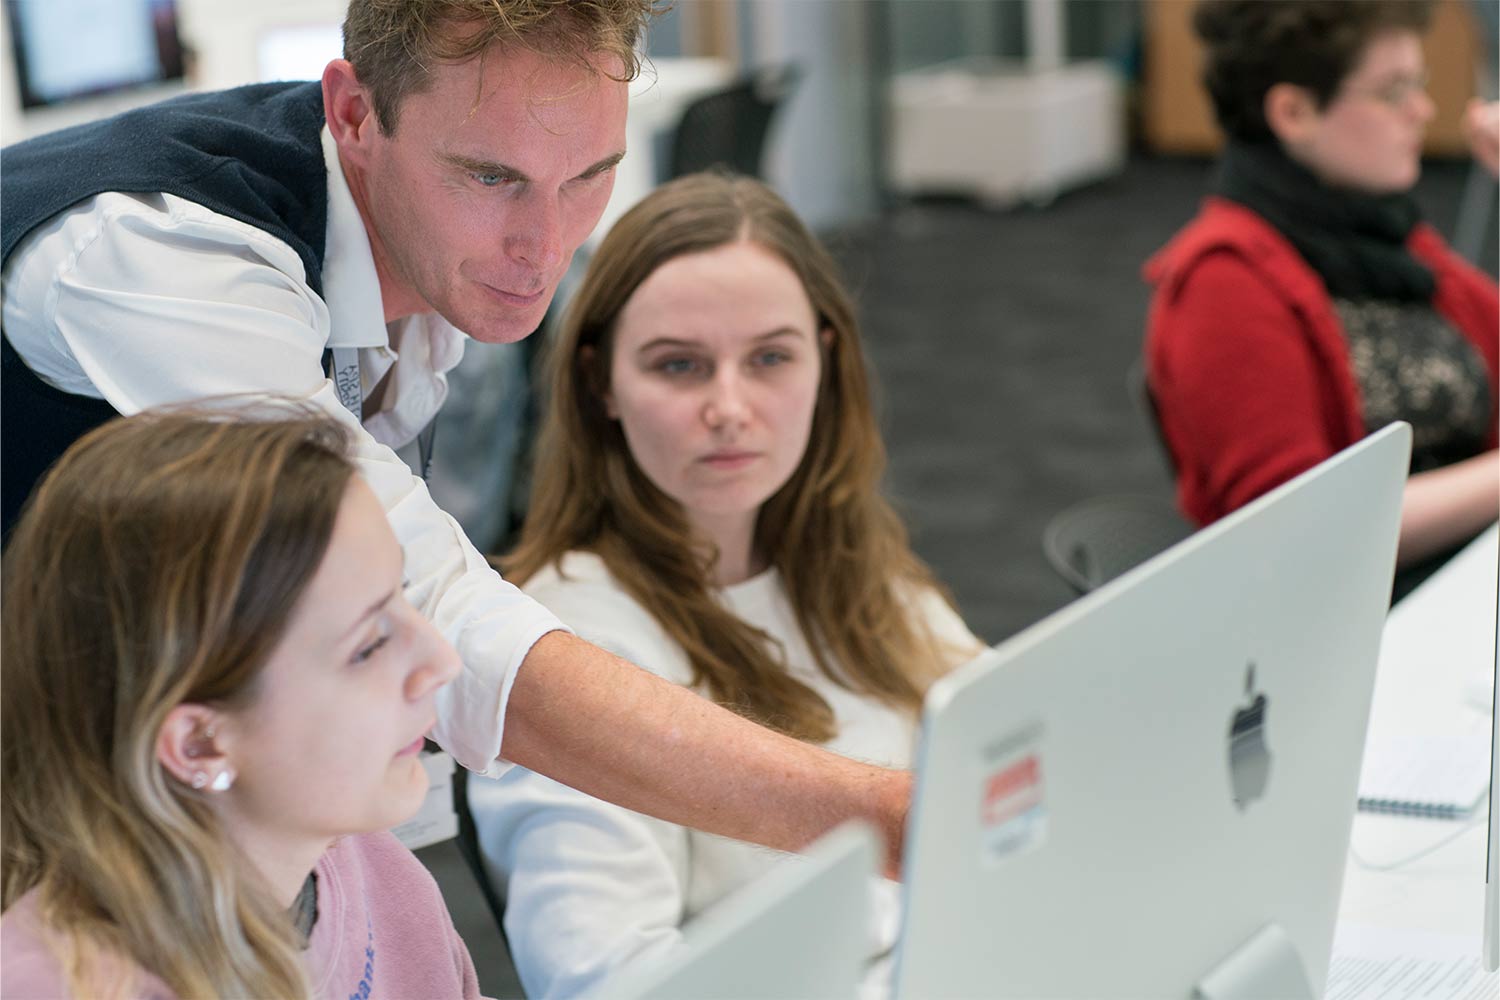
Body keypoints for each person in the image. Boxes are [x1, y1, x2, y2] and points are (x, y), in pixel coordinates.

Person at [0, 2, 912, 871]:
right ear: (354, 113)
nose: (544, 247)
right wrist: (884, 823)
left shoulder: (399, 223)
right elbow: (416, 609)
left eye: (591, 175)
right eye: (492, 177)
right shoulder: (162, 261)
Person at [467, 173, 984, 998]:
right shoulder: (570, 645)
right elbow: (604, 978)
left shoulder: (847, 564)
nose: (731, 407)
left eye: (771, 358)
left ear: (826, 360)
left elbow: (1011, 745)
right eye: (680, 366)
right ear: (601, 384)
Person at [0, 406, 479, 998]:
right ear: (200, 743)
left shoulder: (374, 869)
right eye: (369, 644)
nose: (441, 662)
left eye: (402, 597)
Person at [1143, 0, 1498, 591]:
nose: (1423, 110)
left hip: (1457, 577)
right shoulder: (1223, 283)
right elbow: (1300, 530)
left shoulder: (1386, 235)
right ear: (1294, 112)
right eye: (1393, 92)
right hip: (1360, 622)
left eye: (1420, 84)